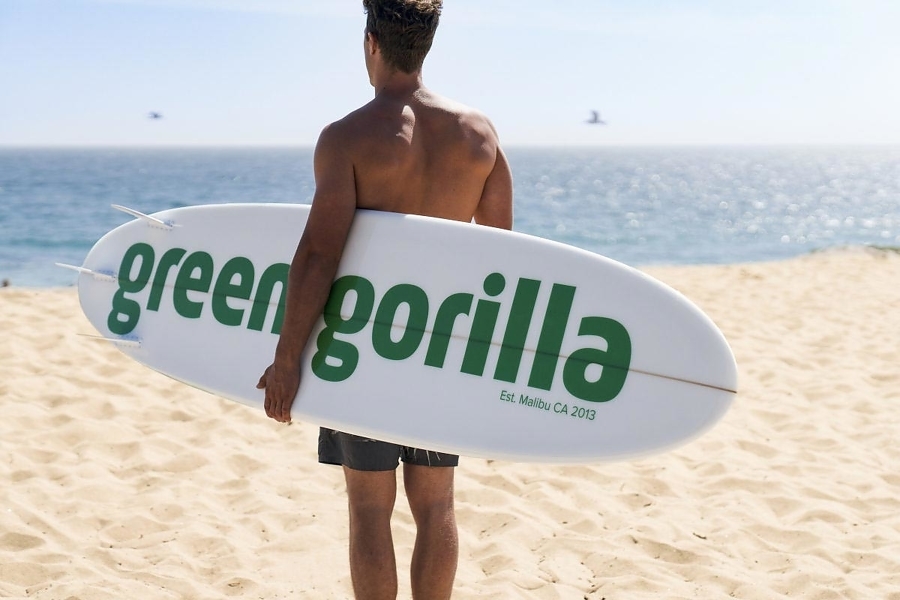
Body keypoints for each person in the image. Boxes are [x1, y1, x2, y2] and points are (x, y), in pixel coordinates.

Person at [256, 0, 513, 597]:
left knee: (370, 507)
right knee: (435, 502)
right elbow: (503, 256)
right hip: (442, 345)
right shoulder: (478, 135)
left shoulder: (346, 138)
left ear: (372, 42)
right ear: (426, 46)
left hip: (364, 345)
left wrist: (288, 356)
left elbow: (320, 254)